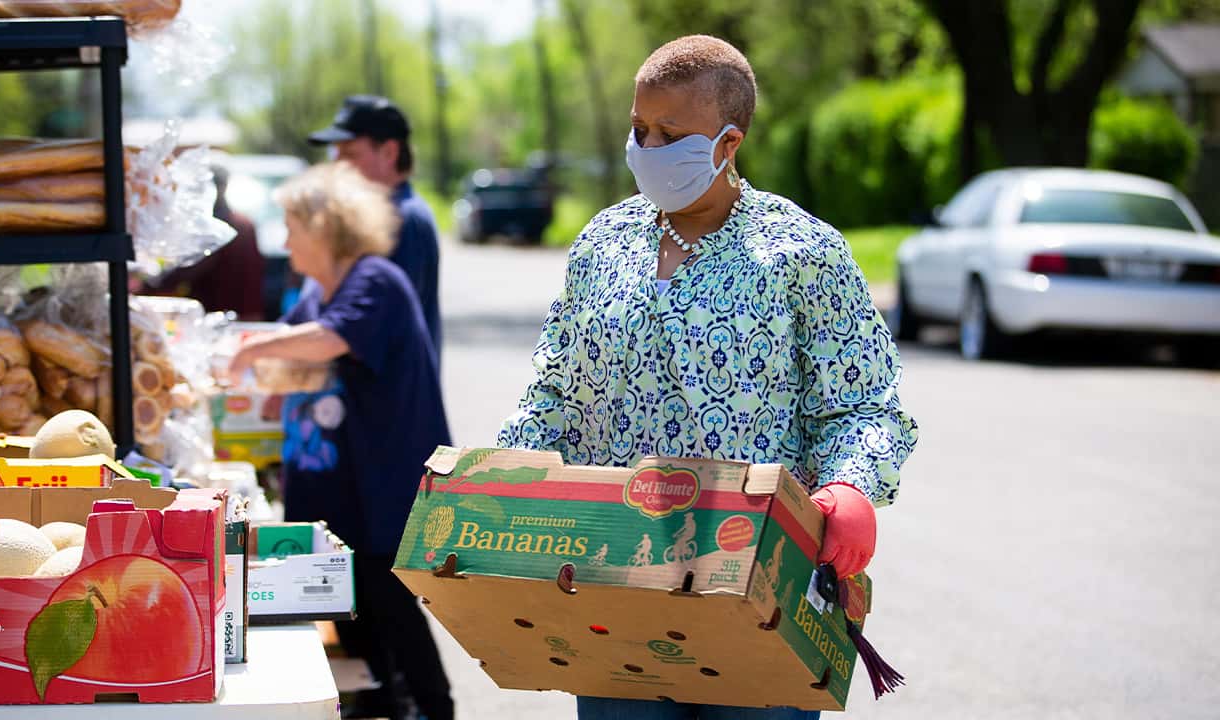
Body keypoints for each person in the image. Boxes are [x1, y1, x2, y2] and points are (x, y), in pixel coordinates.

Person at [497, 35, 919, 720]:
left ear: (729, 142)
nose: (647, 148)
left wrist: (853, 485)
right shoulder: (603, 243)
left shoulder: (802, 251)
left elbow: (866, 404)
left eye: (670, 134)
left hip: (755, 581)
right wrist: (508, 471)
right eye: (639, 128)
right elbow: (555, 387)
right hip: (616, 573)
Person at [228, 162, 453, 720]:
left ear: (324, 224)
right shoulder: (318, 292)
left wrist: (251, 351)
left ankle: (432, 708)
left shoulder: (375, 279)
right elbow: (295, 354)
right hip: (338, 493)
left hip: (380, 488)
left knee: (389, 604)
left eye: (291, 226)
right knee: (349, 604)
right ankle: (380, 702)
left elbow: (328, 340)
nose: (284, 241)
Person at [309, 95, 443, 362]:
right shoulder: (384, 213)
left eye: (350, 154)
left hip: (393, 399)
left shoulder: (402, 218)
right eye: (337, 154)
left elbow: (373, 325)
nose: (339, 165)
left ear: (389, 152)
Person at [140, 165, 266, 320]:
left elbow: (191, 266)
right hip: (243, 314)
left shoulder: (218, 228)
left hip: (220, 317)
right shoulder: (243, 223)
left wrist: (152, 284)